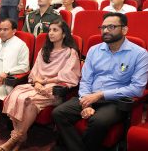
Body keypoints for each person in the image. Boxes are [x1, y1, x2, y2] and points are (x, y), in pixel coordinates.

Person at [52, 13, 148, 151]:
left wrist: (100, 95)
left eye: (111, 27)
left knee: (98, 121)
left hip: (115, 101)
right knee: (59, 112)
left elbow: (137, 88)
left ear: (124, 30)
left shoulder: (139, 54)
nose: (106, 31)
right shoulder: (94, 50)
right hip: (89, 95)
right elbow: (85, 80)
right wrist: (86, 101)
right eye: (103, 27)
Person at [1, 20, 81, 151]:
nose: (51, 33)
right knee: (16, 94)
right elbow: (34, 72)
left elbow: (68, 76)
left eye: (55, 30)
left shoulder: (70, 52)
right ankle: (22, 138)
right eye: (50, 30)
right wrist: (37, 82)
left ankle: (15, 138)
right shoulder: (44, 50)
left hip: (54, 89)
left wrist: (44, 82)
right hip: (37, 85)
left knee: (29, 100)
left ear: (64, 34)